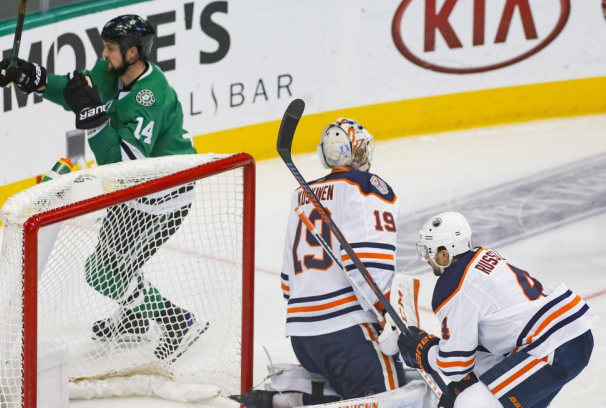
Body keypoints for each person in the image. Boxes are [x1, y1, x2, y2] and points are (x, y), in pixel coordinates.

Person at [0, 14, 205, 361]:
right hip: (132, 194)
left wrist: (93, 120)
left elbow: (126, 166)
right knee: (113, 268)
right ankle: (136, 317)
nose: (103, 54)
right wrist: (31, 77)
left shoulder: (150, 96)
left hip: (163, 198)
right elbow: (79, 91)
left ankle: (179, 322)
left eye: (110, 48)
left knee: (105, 273)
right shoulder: (111, 71)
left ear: (133, 52)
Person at [233, 119, 404, 407]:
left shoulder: (301, 194)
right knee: (393, 398)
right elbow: (370, 264)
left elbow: (288, 282)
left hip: (303, 336)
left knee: (346, 393)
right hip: (348, 329)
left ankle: (285, 400)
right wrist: (392, 317)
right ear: (357, 152)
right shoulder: (367, 188)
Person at [398, 212, 596, 408]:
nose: (427, 259)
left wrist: (424, 352)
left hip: (550, 347)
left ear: (443, 254)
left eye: (428, 252)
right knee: (485, 395)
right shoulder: (484, 256)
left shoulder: (453, 286)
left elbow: (455, 366)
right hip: (567, 335)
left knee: (468, 402)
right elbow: (489, 346)